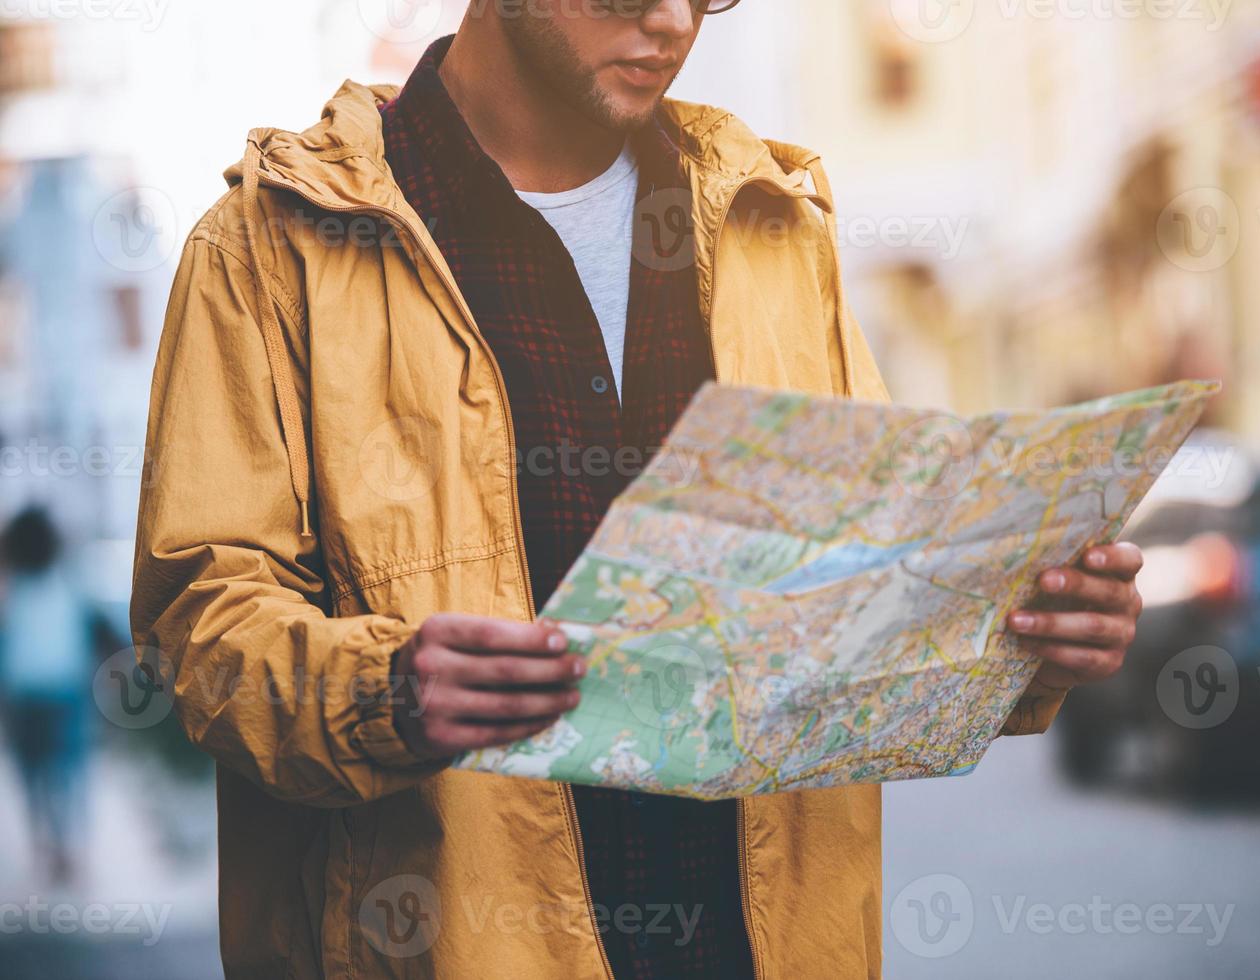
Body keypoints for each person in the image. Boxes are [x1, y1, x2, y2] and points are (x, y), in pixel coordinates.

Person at [131, 3, 1146, 977]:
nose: (669, 20)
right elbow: (198, 631)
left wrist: (1025, 627)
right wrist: (382, 693)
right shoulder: (268, 246)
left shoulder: (774, 225)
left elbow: (869, 600)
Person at [0, 505, 92, 885]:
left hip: (22, 695)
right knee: (68, 772)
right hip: (65, 693)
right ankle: (66, 846)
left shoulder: (10, 587)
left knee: (32, 774)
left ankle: (45, 843)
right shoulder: (70, 581)